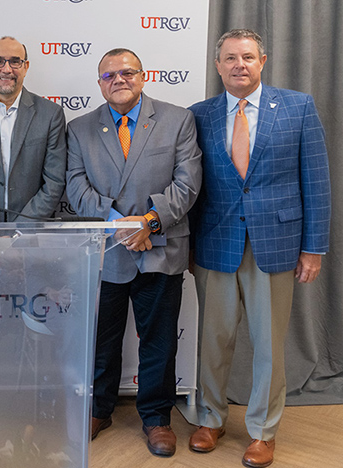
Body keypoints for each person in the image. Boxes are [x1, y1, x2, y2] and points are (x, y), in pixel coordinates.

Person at [188, 29, 330, 468]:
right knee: (213, 341)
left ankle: (263, 432)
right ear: (217, 65)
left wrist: (314, 249)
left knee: (269, 345)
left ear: (263, 61)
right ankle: (210, 419)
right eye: (230, 58)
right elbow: (193, 186)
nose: (239, 65)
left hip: (277, 245)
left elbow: (316, 182)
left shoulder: (297, 106)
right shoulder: (200, 114)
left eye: (247, 57)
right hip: (215, 244)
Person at [66, 48, 202, 457]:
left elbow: (188, 182)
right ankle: (99, 408)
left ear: (143, 76)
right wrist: (121, 225)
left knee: (159, 341)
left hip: (160, 247)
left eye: (127, 72)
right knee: (102, 340)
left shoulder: (178, 119)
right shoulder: (80, 128)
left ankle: (157, 417)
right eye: (109, 75)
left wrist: (149, 223)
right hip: (108, 249)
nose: (119, 80)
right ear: (100, 83)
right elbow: (75, 186)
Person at [0, 36, 66, 222]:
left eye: (15, 62)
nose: (6, 69)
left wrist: (21, 228)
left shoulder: (50, 114)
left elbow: (54, 181)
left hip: (31, 234)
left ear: (25, 67)